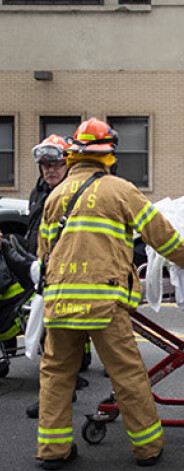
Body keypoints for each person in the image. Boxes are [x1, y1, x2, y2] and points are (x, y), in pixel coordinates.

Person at [33, 118, 184, 469]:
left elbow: (43, 253)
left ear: (73, 156)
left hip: (60, 302)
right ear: (109, 154)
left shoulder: (55, 196)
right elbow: (160, 234)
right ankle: (147, 449)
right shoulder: (120, 189)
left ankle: (52, 451)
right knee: (127, 375)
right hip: (104, 303)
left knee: (56, 375)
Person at [11, 134, 92, 418]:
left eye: (56, 163)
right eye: (44, 164)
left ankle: (57, 395)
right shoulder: (39, 194)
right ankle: (70, 376)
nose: (50, 169)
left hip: (63, 276)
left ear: (68, 164)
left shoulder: (76, 195)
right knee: (56, 340)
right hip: (41, 271)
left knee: (54, 342)